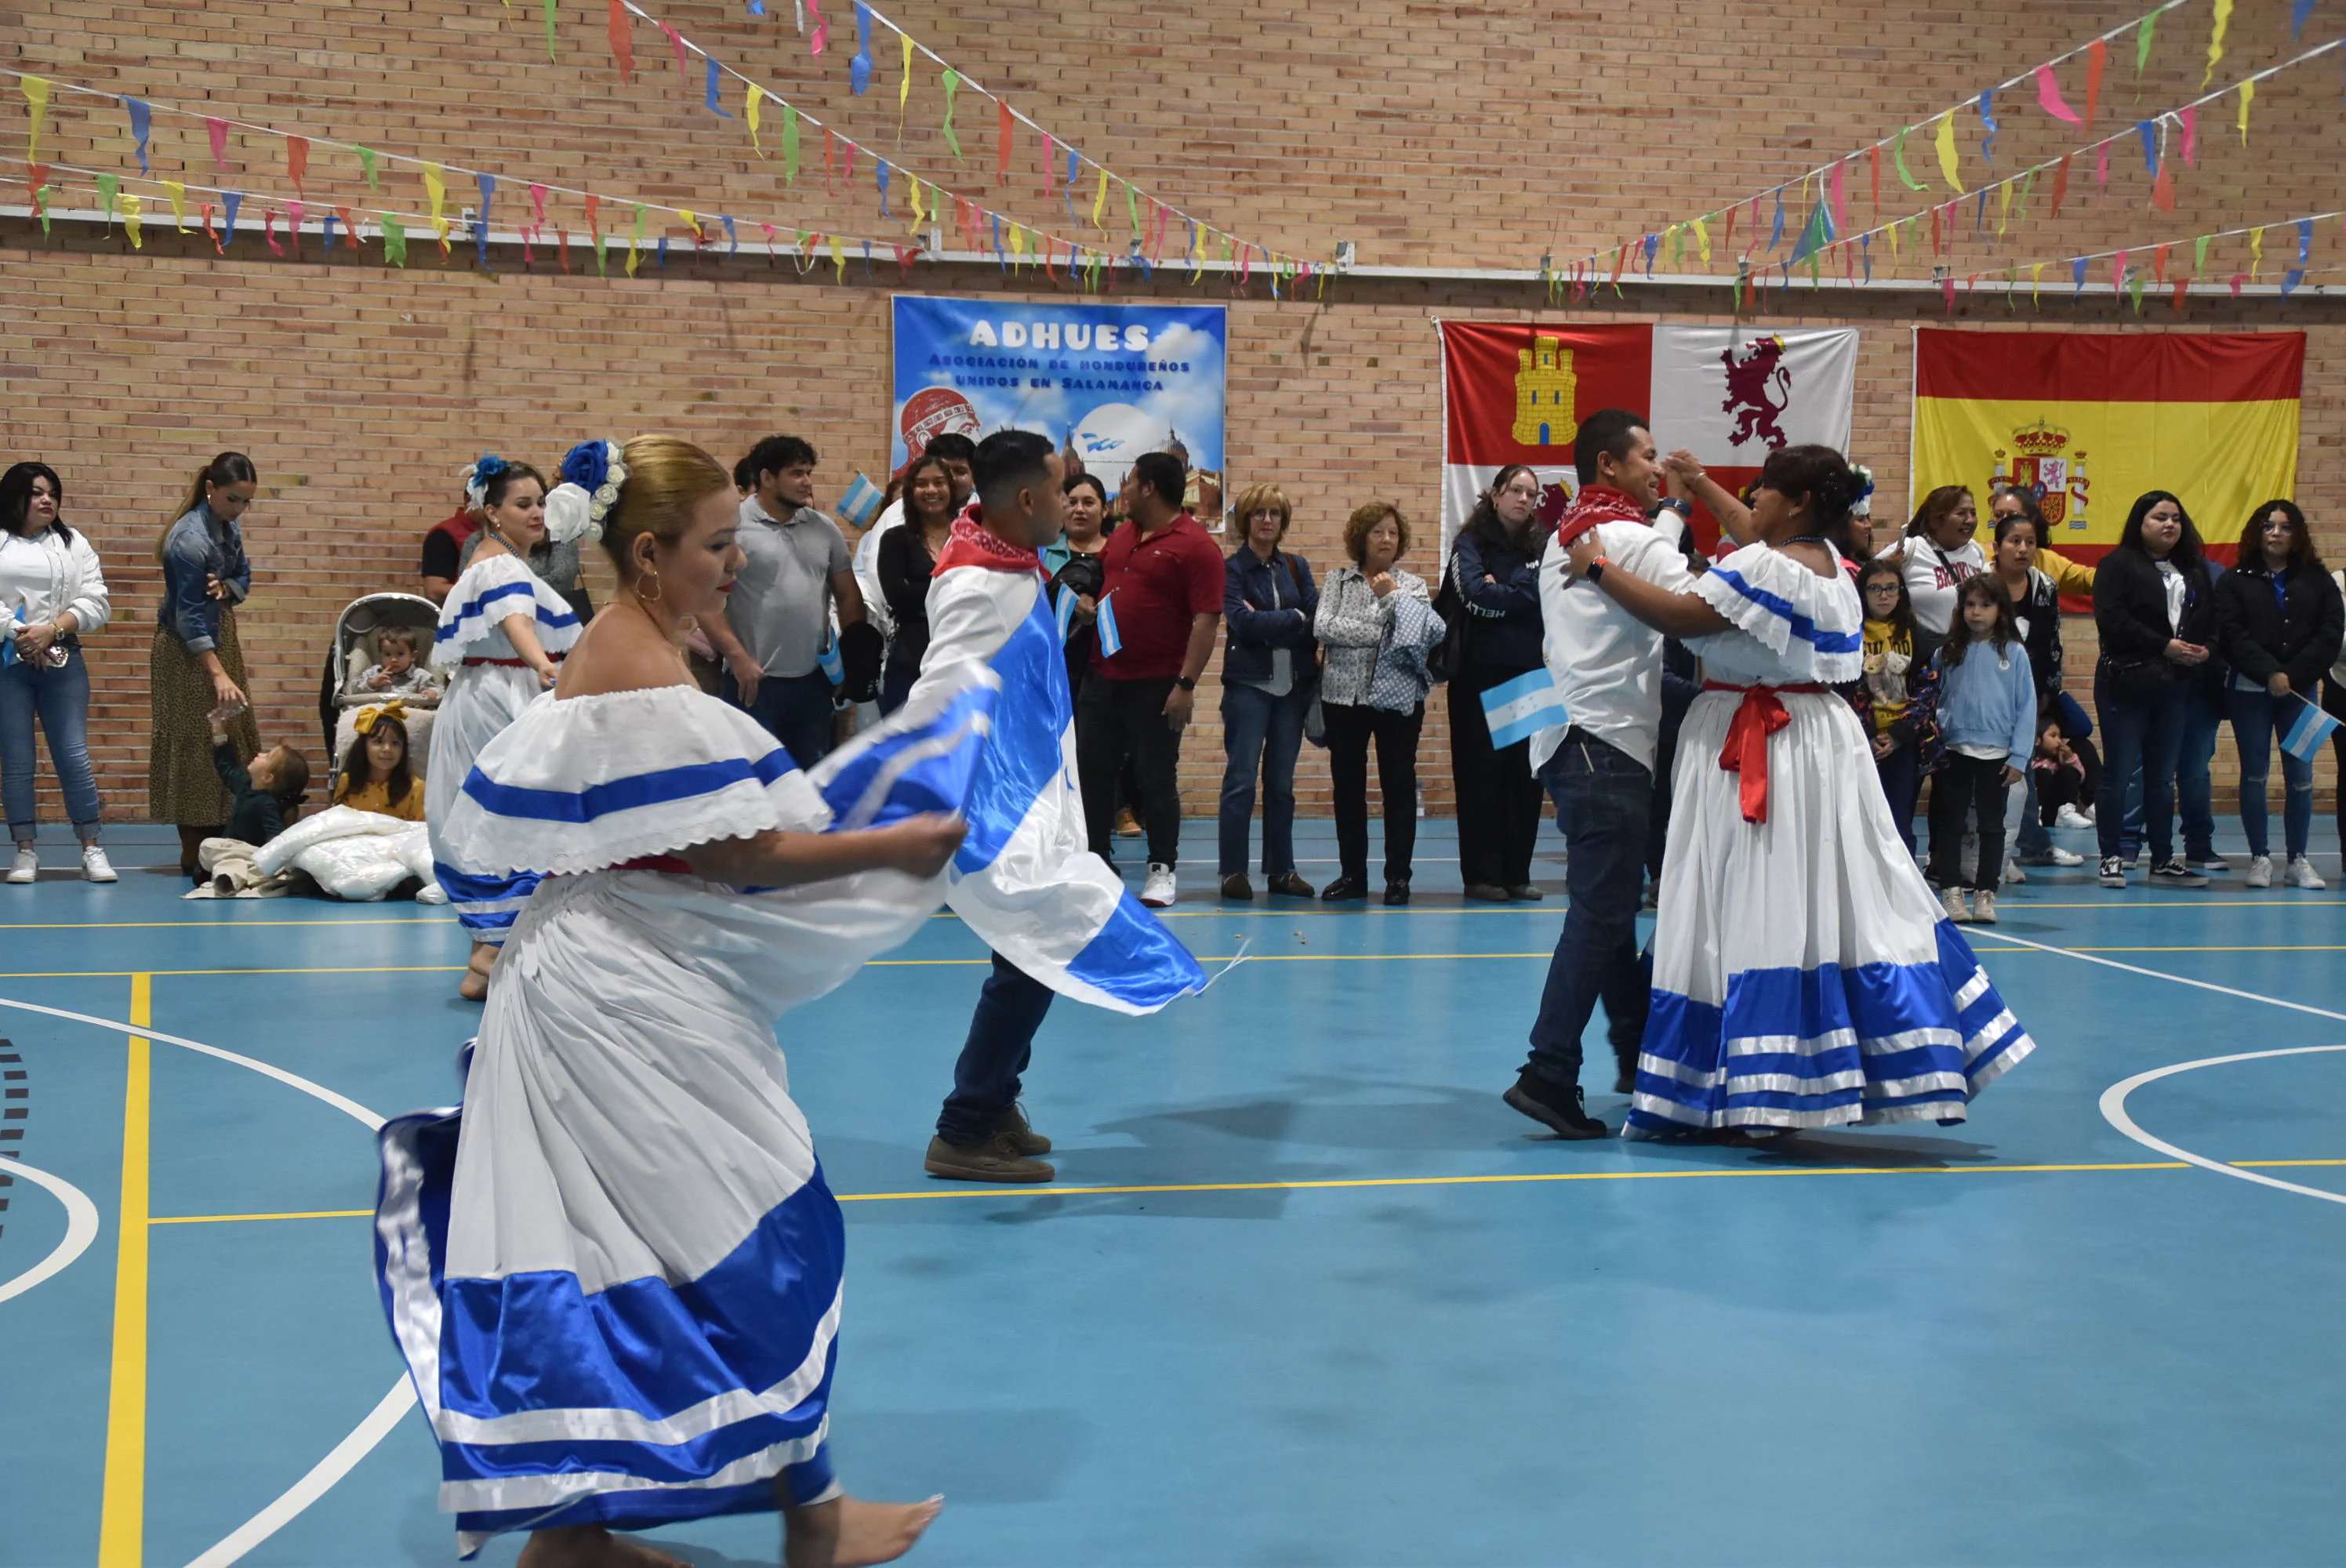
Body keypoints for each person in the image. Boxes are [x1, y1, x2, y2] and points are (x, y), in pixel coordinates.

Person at [377, 432, 964, 1563]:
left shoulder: (634, 640)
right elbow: (737, 854)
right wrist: (900, 843)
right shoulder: (641, 669)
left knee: (611, 1250)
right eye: (717, 544)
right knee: (755, 1234)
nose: (734, 563)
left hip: (600, 979)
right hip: (614, 993)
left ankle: (586, 1536)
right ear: (649, 554)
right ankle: (807, 1520)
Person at [1562, 443, 2034, 1136]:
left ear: (1799, 503)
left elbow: (1681, 617)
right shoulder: (1830, 568)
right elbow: (1756, 540)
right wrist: (1700, 485)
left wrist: (1596, 567)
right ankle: (1789, 1070)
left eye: (1761, 494)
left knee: (1760, 901)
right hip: (1813, 740)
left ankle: (1766, 1081)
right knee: (1819, 901)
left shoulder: (1768, 566)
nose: (1748, 504)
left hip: (1764, 745)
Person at [1506, 411, 1694, 1138]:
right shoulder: (1624, 538)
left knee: (1608, 912)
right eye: (1648, 456)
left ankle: (1634, 1047)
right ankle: (1547, 1071)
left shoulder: (1573, 535)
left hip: (1567, 740)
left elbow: (1652, 554)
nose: (1659, 467)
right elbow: (1691, 605)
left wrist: (1673, 514)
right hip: (1607, 744)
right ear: (1609, 466)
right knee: (1600, 915)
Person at [428, 456, 578, 1000]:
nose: (537, 512)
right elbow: (514, 617)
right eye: (523, 504)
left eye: (540, 502)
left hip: (487, 693)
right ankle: (492, 953)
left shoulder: (501, 560)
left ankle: (483, 961)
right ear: (491, 513)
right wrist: (541, 661)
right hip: (501, 697)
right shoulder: (498, 567)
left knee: (492, 819)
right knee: (518, 818)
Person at [1077, 449, 1225, 908]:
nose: (1121, 490)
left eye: (1129, 482)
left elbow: (1206, 621)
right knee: (1093, 776)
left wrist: (1186, 686)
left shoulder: (1197, 546)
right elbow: (1109, 587)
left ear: (1148, 489)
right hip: (1102, 679)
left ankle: (1162, 869)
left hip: (1158, 684)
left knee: (1155, 779)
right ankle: (1097, 862)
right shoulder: (1122, 534)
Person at [703, 435, 872, 768]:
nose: (806, 482)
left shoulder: (824, 530)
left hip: (813, 682)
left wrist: (852, 660)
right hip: (752, 681)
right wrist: (737, 658)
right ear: (766, 478)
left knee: (807, 781)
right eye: (796, 473)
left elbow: (849, 594)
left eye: (808, 472)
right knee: (753, 783)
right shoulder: (731, 528)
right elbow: (704, 602)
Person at [1313, 500, 1443, 904]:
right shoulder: (1338, 580)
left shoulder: (1414, 586)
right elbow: (1323, 626)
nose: (1386, 538)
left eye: (1392, 532)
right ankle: (1352, 875)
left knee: (1398, 786)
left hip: (1398, 700)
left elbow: (1419, 634)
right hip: (1342, 697)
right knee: (1347, 787)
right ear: (1361, 538)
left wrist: (1391, 599)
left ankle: (1398, 878)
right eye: (1377, 531)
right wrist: (1384, 625)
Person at [2092, 491, 2216, 890]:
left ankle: (2162, 859)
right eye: (2159, 517)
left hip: (2176, 685)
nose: (2169, 525)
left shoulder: (2193, 569)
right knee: (2119, 772)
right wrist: (2163, 645)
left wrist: (2206, 649)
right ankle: (2111, 855)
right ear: (2139, 522)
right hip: (2126, 683)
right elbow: (2113, 621)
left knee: (2163, 778)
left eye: (2176, 518)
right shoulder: (2116, 565)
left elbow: (2213, 619)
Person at [2216, 499, 2343, 889]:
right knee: (2255, 775)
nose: (2276, 533)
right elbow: (2231, 634)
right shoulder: (2234, 580)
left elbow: (2329, 633)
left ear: (2297, 534)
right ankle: (2260, 858)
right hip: (2248, 692)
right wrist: (2269, 672)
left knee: (2301, 777)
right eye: (2269, 526)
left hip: (2300, 694)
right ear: (2257, 532)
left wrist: (2294, 674)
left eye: (2286, 527)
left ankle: (2298, 860)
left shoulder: (2318, 580)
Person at [151, 452, 265, 880]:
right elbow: (187, 618)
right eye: (234, 499)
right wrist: (217, 672)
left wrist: (228, 586)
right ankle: (192, 851)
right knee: (196, 740)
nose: (239, 511)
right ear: (211, 489)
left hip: (221, 639)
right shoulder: (188, 540)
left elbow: (244, 576)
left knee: (231, 732)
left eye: (246, 502)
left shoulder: (227, 525)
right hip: (187, 653)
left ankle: (227, 836)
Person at [0, 462, 114, 884]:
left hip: (64, 660)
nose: (46, 499)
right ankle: (25, 851)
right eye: (35, 492)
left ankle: (92, 847)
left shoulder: (73, 542)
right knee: (17, 762)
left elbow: (97, 599)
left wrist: (54, 628)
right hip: (8, 662)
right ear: (15, 498)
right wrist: (20, 633)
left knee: (73, 756)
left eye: (51, 492)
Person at [1448, 463, 1549, 901]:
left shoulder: (1544, 546)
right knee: (1481, 779)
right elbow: (1474, 597)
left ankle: (1517, 874)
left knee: (1525, 779)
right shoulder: (1469, 543)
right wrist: (1521, 592)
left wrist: (1508, 589)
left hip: (1531, 675)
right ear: (1494, 494)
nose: (1524, 500)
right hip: (1479, 677)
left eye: (1531, 493)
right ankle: (1482, 877)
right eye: (1516, 491)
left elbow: (1549, 592)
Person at [1217, 482, 1319, 901]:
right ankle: (1233, 873)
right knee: (1241, 781)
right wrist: (1292, 617)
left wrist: (1284, 619)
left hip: (1291, 690)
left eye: (1274, 514)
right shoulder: (1231, 568)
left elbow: (1316, 618)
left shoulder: (1296, 566)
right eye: (1258, 513)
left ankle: (1283, 870)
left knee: (1282, 784)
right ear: (1246, 520)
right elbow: (1241, 622)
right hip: (1247, 687)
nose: (1266, 520)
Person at [1927, 577, 2036, 924]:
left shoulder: (2014, 654)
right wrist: (1934, 745)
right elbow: (1930, 701)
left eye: (1985, 605)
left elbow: (2026, 707)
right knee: (1951, 824)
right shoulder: (1946, 653)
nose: (1976, 612)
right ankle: (1951, 892)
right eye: (1970, 605)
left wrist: (2019, 756)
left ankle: (1986, 894)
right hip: (1954, 752)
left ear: (2001, 610)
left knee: (1992, 827)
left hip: (1997, 755)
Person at [1985, 503, 2083, 878]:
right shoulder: (1981, 584)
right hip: (1986, 700)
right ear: (1997, 546)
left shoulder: (2045, 587)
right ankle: (1991, 850)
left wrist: (2046, 697)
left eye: (2030, 542)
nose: (2023, 549)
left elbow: (2051, 646)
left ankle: (2027, 846)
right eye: (2014, 541)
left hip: (2027, 701)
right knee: (1987, 778)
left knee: (2020, 777)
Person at [1854, 557, 1942, 856]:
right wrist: (1867, 734)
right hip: (1861, 742)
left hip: (1902, 742)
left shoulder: (1915, 633)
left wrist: (1899, 735)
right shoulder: (1851, 635)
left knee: (1900, 822)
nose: (1884, 595)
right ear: (1862, 593)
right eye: (1875, 588)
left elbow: (1928, 687)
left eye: (1891, 588)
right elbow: (1843, 688)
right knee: (1861, 821)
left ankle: (1904, 893)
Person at [854, 433, 978, 641]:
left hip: (968, 637)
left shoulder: (982, 520)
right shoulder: (895, 518)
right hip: (909, 639)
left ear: (975, 475)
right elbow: (888, 591)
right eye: (944, 471)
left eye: (960, 472)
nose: (952, 480)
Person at [875, 454, 958, 713]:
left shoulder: (970, 537)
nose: (931, 490)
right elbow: (897, 596)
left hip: (960, 657)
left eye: (939, 482)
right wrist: (954, 588)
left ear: (951, 488)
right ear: (911, 490)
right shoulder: (895, 538)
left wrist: (922, 592)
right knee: (903, 747)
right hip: (910, 659)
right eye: (922, 484)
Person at [1879, 485, 1985, 639]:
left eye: (1973, 513)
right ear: (1936, 521)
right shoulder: (1910, 549)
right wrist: (1886, 570)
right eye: (1961, 513)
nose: (1970, 520)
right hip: (1926, 652)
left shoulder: (1976, 550)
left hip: (1969, 649)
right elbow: (1864, 578)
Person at [209, 711, 307, 848]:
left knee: (209, 846)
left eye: (267, 757)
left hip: (247, 857)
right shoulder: (246, 785)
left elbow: (276, 837)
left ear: (267, 778)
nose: (260, 754)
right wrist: (219, 730)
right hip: (230, 849)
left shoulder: (266, 804)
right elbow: (228, 768)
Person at [329, 701, 426, 820]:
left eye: (395, 743)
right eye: (378, 742)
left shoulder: (416, 788)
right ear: (364, 746)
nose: (387, 749)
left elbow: (419, 833)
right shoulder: (348, 782)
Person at [340, 622, 443, 708]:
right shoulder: (374, 673)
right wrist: (372, 684)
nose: (393, 659)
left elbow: (439, 690)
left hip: (409, 717)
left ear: (413, 656)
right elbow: (352, 690)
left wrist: (431, 693)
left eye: (400, 654)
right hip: (376, 716)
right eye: (388, 654)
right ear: (381, 656)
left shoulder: (421, 676)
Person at [419, 483, 478, 604]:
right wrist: (485, 594)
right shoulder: (444, 534)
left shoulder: (506, 533)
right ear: (469, 499)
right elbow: (434, 591)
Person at [2031, 720, 2091, 826]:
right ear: (2037, 740)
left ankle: (2067, 812)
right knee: (2042, 774)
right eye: (2053, 736)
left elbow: (2080, 777)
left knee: (2069, 771)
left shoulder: (2059, 762)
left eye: (2060, 737)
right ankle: (2034, 814)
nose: (2059, 741)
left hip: (2057, 811)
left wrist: (2071, 759)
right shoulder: (2031, 762)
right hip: (2040, 809)